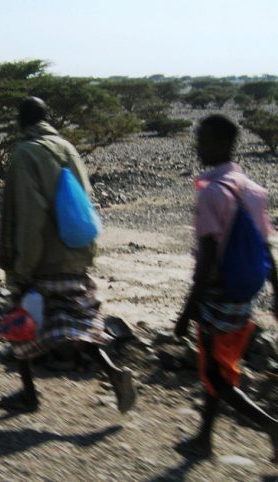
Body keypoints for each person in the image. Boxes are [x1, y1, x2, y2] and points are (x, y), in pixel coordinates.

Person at [0, 97, 136, 413]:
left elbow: (31, 217)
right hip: (75, 253)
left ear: (21, 121)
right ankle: (112, 373)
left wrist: (22, 267)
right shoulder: (69, 149)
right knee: (80, 323)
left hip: (43, 258)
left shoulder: (25, 153)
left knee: (22, 319)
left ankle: (29, 394)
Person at [174, 114, 278, 461]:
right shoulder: (252, 188)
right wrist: (276, 291)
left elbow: (205, 260)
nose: (197, 147)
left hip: (216, 295)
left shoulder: (212, 193)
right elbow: (264, 247)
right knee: (216, 365)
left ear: (220, 143)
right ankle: (204, 438)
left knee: (217, 376)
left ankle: (270, 425)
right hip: (245, 292)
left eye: (202, 139)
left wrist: (187, 311)